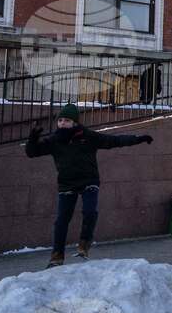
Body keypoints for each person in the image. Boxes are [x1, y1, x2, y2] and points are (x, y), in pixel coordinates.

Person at [26, 103, 152, 268]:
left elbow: (113, 141)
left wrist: (138, 139)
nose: (62, 123)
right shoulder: (54, 140)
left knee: (90, 211)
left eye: (67, 120)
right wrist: (33, 138)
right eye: (60, 120)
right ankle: (57, 256)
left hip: (88, 181)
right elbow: (32, 153)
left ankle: (84, 244)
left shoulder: (88, 136)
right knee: (62, 220)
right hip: (67, 184)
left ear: (75, 123)